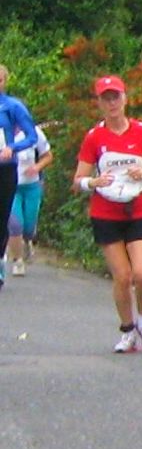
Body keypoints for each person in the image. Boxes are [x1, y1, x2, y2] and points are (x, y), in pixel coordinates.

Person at [72, 75, 142, 353]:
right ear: (99, 103)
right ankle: (127, 330)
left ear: (125, 99)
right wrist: (93, 182)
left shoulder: (141, 132)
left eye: (116, 97)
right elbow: (78, 180)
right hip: (106, 212)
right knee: (122, 276)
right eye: (106, 98)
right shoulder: (94, 137)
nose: (112, 103)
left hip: (137, 208)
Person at [0, 64, 37, 290]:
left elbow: (31, 136)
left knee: (2, 217)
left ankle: (1, 260)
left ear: (5, 82)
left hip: (5, 168)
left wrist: (12, 147)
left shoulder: (13, 106)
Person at [8, 120, 53, 275]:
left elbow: (48, 156)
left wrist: (37, 167)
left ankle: (27, 240)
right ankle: (18, 261)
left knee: (28, 226)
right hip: (10, 187)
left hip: (32, 186)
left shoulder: (33, 132)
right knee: (15, 225)